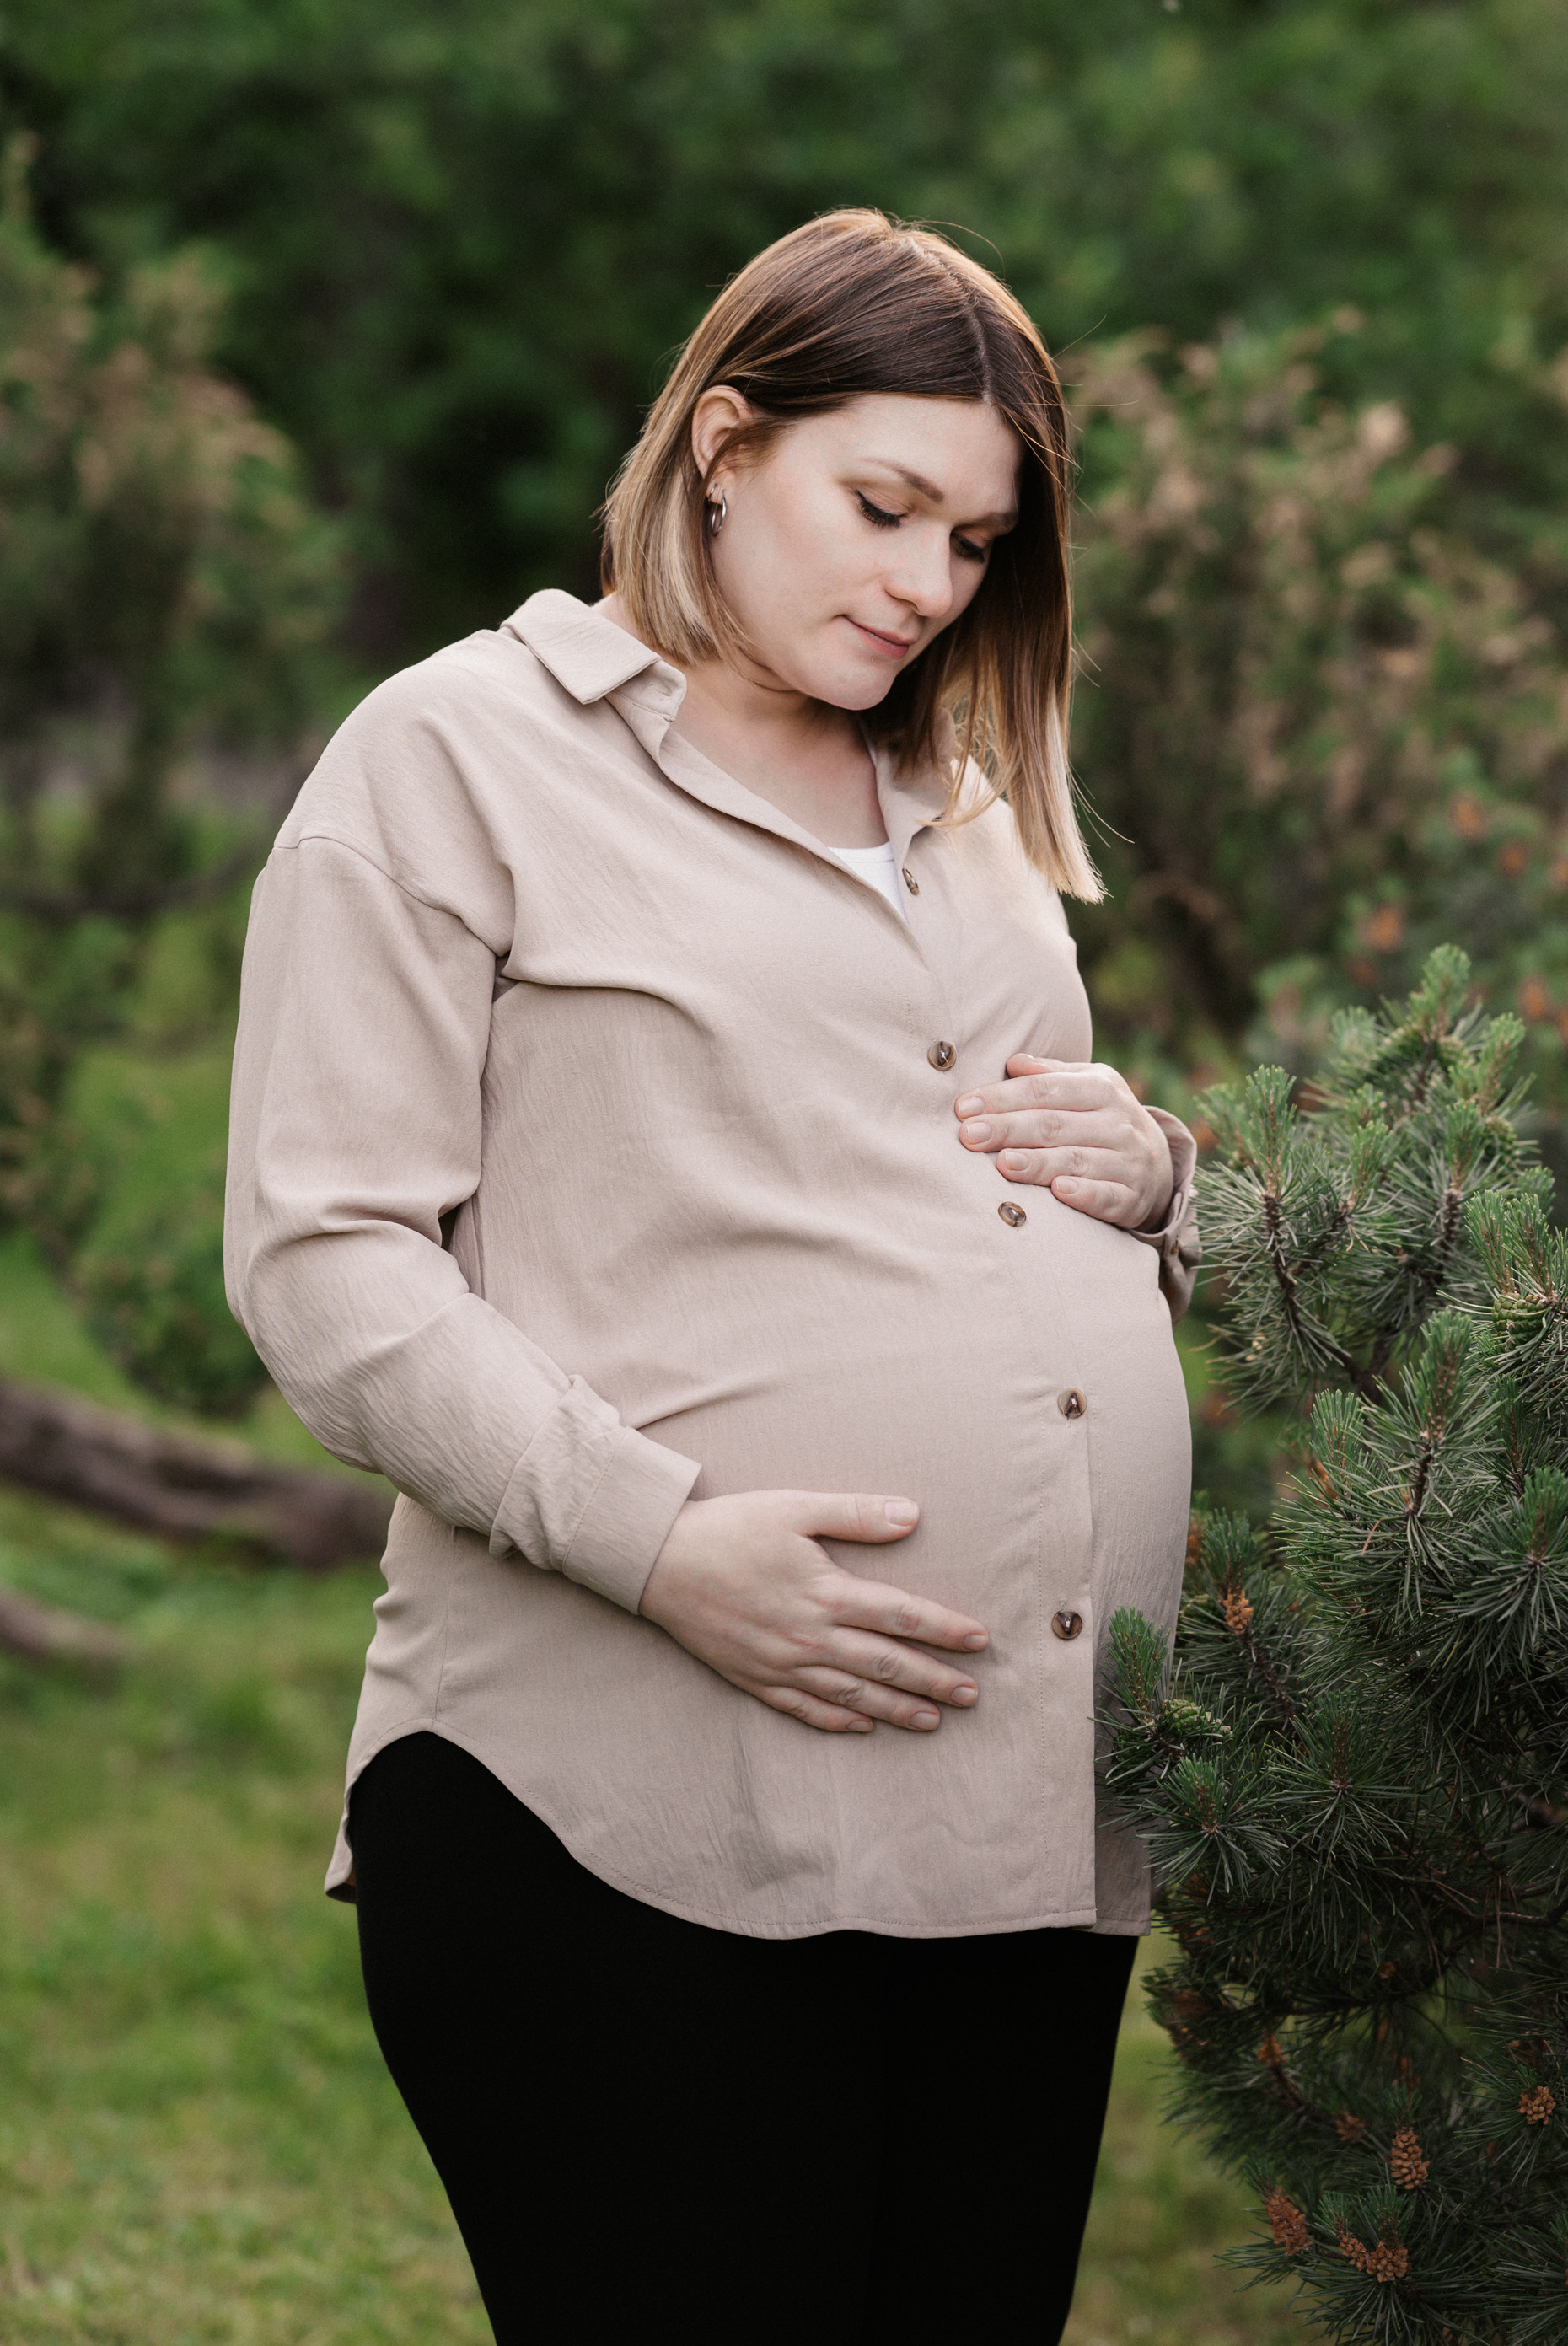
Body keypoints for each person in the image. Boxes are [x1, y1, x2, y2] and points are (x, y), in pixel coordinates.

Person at [224, 210, 1197, 2346]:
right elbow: (327, 1259)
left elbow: (944, 1179)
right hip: (628, 1800)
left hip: (1021, 1812)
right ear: (723, 445)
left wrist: (1164, 1178)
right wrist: (663, 1547)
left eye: (972, 540)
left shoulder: (949, 790)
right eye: (885, 506)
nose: (925, 583)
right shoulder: (454, 757)